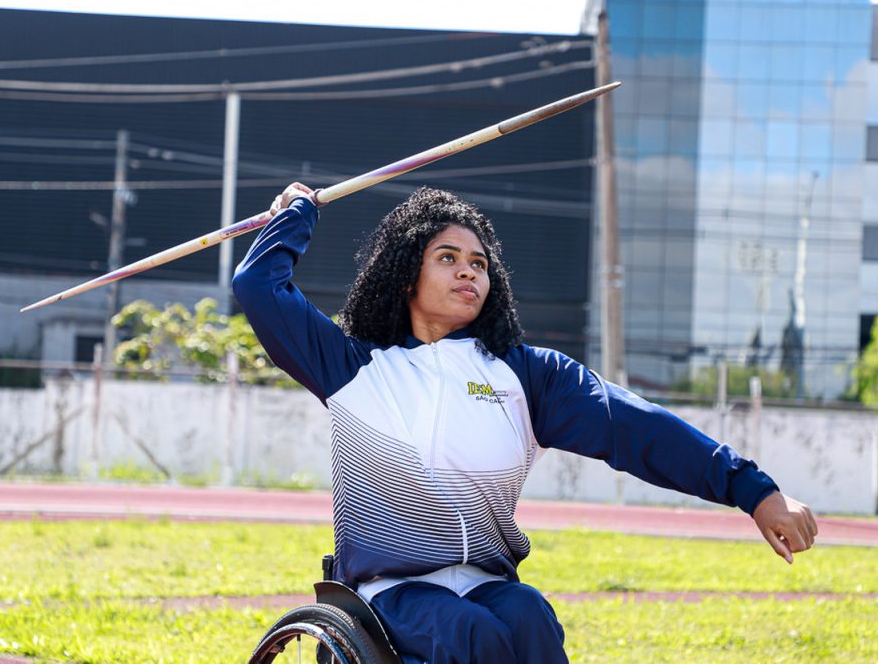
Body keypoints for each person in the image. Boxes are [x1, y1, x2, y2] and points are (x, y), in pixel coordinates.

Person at [232, 182, 818, 664]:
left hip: (488, 579)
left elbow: (639, 428)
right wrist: (296, 216)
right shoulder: (354, 368)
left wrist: (753, 490)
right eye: (448, 259)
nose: (469, 273)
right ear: (407, 275)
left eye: (479, 264)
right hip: (389, 592)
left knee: (531, 618)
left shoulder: (527, 377)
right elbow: (258, 287)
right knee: (474, 636)